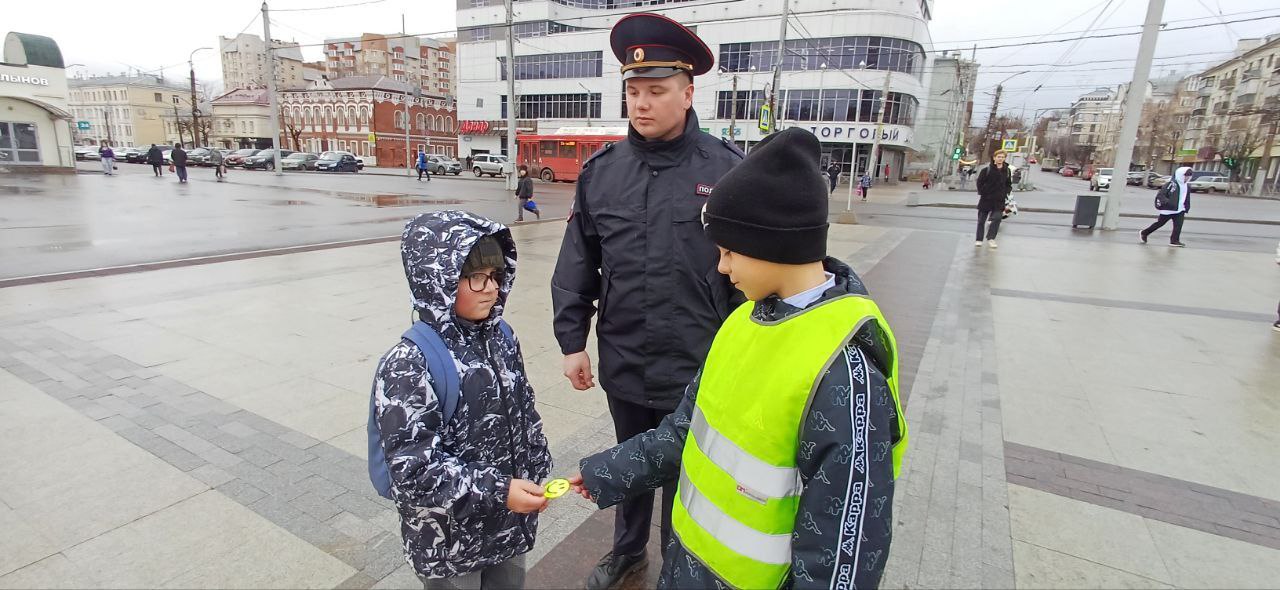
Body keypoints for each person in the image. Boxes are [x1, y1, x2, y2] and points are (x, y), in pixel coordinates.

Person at [568, 128, 908, 590]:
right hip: (688, 569)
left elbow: (844, 552)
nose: (721, 267)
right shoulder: (744, 320)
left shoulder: (844, 368)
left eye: (729, 251)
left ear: (774, 246)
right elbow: (686, 430)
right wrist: (603, 473)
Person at [550, 13, 744, 589]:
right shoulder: (602, 174)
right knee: (632, 465)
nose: (641, 103)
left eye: (656, 91)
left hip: (700, 362)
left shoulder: (728, 171)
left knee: (691, 475)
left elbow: (754, 278)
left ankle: (681, 568)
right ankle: (628, 554)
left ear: (688, 92)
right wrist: (571, 342)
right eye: (633, 91)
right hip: (626, 358)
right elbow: (576, 262)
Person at [373, 210, 552, 590]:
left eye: (497, 276)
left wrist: (537, 467)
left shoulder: (501, 337)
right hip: (451, 547)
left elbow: (524, 411)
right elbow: (414, 470)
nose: (492, 289)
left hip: (506, 527)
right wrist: (501, 491)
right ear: (438, 279)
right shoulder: (410, 362)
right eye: (476, 277)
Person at [1140, 166, 1192, 247]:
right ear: (1180, 175)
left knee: (1178, 226)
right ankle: (1144, 233)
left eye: (1189, 176)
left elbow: (1186, 198)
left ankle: (1174, 241)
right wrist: (1168, 203)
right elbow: (1161, 195)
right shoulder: (1171, 184)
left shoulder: (1187, 186)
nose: (1187, 178)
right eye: (1185, 175)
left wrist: (1187, 207)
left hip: (1180, 209)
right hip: (1168, 209)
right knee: (1159, 223)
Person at [975, 150, 1012, 248]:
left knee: (997, 219)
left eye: (1002, 157)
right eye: (999, 157)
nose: (1000, 159)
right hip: (986, 199)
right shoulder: (986, 170)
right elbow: (979, 183)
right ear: (994, 158)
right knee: (981, 221)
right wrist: (983, 192)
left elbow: (1008, 184)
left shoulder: (1007, 171)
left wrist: (1006, 192)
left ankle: (991, 238)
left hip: (999, 200)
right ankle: (979, 239)